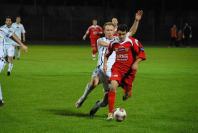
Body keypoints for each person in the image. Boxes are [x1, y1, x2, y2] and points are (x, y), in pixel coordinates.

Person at [75, 10, 143, 116]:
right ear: (104, 31)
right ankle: (83, 98)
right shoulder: (100, 40)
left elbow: (131, 32)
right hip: (101, 70)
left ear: (114, 31)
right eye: (107, 30)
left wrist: (136, 21)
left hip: (112, 71)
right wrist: (118, 42)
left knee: (106, 101)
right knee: (94, 83)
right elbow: (109, 44)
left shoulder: (119, 39)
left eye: (111, 30)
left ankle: (98, 105)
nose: (109, 32)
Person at [104, 24, 146, 120]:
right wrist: (105, 64)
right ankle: (110, 113)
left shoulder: (132, 41)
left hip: (129, 72)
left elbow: (142, 53)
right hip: (117, 69)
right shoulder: (113, 42)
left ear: (126, 33)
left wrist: (136, 63)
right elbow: (107, 54)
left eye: (123, 34)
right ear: (117, 33)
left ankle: (127, 93)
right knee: (112, 86)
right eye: (119, 34)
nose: (121, 36)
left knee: (128, 94)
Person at [0, 20, 28, 106]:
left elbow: (12, 35)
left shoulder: (1, 31)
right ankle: (0, 100)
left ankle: (0, 100)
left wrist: (22, 45)